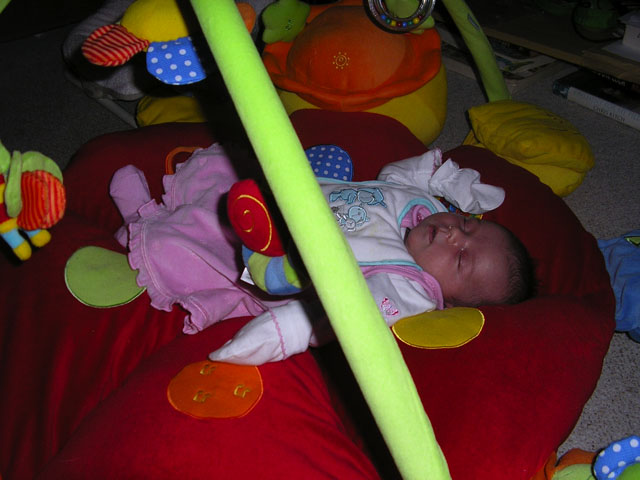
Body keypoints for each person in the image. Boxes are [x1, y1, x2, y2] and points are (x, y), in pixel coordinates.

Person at [109, 143, 535, 366]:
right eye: (467, 226)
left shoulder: (409, 289)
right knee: (227, 174)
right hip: (281, 199)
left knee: (199, 245)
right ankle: (162, 209)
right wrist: (447, 178)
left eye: (461, 259)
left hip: (268, 260)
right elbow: (395, 178)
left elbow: (351, 314)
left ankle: (138, 222)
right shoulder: (426, 209)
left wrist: (288, 331)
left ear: (449, 302)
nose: (453, 235)